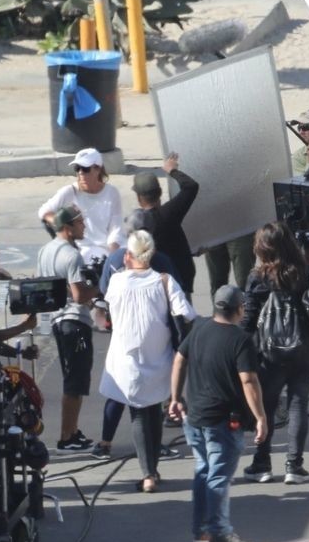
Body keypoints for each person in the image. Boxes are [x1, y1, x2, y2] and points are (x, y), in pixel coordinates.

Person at [171, 284, 265, 542]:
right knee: (218, 477)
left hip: (195, 417)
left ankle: (202, 531)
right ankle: (220, 534)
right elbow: (248, 380)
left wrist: (175, 398)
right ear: (240, 309)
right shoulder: (241, 340)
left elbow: (179, 360)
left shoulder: (199, 328)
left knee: (203, 471)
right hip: (223, 421)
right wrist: (260, 417)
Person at [101, 230, 195, 493]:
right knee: (152, 410)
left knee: (139, 413)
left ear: (128, 256)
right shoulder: (164, 281)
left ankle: (148, 473)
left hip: (126, 358)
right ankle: (152, 469)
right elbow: (187, 313)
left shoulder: (117, 282)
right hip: (159, 356)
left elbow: (107, 303)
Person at [241, 223, 309, 485]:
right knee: (298, 405)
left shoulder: (258, 278)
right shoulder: (308, 273)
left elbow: (249, 319)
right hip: (304, 349)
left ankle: (262, 463)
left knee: (266, 407)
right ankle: (294, 466)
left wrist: (240, 351)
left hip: (269, 353)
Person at [37, 204, 100, 453]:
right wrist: (100, 286)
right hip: (74, 323)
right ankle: (67, 436)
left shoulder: (45, 251)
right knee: (76, 379)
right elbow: (79, 295)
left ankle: (72, 431)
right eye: (80, 222)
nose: (84, 226)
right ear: (67, 227)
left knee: (73, 377)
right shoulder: (72, 255)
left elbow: (47, 285)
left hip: (57, 321)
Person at [38, 148, 125, 261]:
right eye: (77, 168)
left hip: (109, 247)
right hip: (84, 248)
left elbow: (116, 229)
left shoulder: (112, 193)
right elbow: (43, 211)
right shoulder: (70, 191)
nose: (80, 173)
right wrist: (60, 222)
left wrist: (112, 257)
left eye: (85, 169)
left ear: (98, 169)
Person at [131, 153, 200, 295]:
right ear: (160, 192)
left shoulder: (136, 223)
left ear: (138, 198)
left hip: (152, 288)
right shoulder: (170, 213)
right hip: (180, 284)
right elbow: (191, 186)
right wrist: (172, 170)